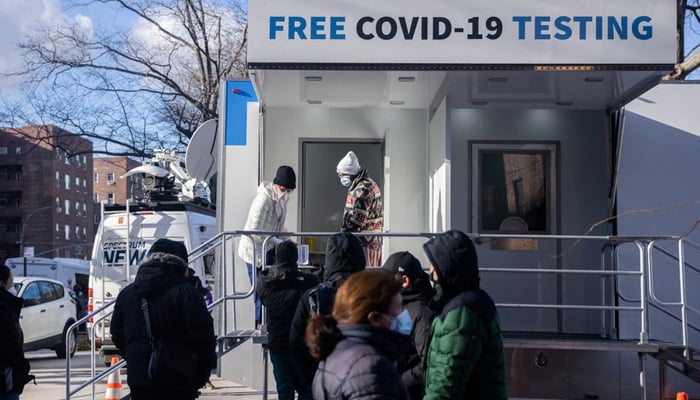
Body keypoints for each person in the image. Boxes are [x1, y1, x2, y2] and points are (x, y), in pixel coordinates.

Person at [111, 239, 217, 400]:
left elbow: (117, 334)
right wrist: (200, 376)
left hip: (140, 378)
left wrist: (137, 357)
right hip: (179, 378)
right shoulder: (187, 293)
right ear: (182, 265)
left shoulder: (127, 294)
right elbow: (205, 339)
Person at [422, 230, 507, 400]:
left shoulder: (463, 311)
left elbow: (447, 380)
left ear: (447, 265)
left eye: (434, 264)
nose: (431, 271)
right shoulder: (463, 303)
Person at [305, 269, 410, 400]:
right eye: (399, 307)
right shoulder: (371, 368)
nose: (404, 314)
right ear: (375, 318)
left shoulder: (337, 349)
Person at [289, 232, 366, 398]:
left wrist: (308, 379)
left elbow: (296, 342)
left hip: (320, 380)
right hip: (360, 380)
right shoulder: (369, 295)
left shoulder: (312, 296)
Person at [257, 240, 318, 400]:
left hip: (277, 343)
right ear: (296, 257)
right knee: (306, 390)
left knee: (284, 392)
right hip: (301, 344)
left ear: (277, 257)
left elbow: (263, 298)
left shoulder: (265, 282)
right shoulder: (308, 282)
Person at [238, 165, 296, 327]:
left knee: (272, 287)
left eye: (289, 190)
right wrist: (277, 241)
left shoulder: (281, 199)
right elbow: (255, 229)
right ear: (276, 185)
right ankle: (259, 322)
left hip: (268, 248)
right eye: (284, 189)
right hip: (254, 251)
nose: (286, 193)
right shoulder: (263, 199)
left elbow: (277, 226)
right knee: (259, 289)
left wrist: (287, 239)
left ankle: (269, 320)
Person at [381, 251, 436, 400]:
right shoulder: (403, 307)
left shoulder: (421, 313)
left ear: (404, 281)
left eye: (388, 280)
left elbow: (429, 362)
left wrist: (401, 381)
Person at [336, 151, 384, 266]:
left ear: (349, 174)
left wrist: (341, 238)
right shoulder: (369, 183)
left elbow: (357, 221)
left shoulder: (362, 189)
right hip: (372, 244)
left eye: (341, 175)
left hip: (364, 247)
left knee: (363, 280)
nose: (340, 178)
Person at [0, 265, 33, 399]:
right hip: (5, 378)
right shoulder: (4, 309)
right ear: (2, 283)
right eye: (11, 282)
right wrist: (23, 367)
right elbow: (10, 345)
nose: (12, 286)